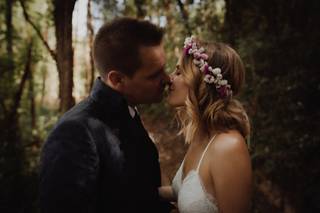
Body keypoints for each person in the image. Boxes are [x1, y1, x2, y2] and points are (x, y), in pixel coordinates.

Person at [39, 17, 173, 213]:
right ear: (117, 79)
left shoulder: (127, 111)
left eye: (164, 69)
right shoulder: (75, 132)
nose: (167, 79)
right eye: (154, 75)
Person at [159, 36, 252, 213]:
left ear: (200, 80)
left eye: (179, 72)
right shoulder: (201, 135)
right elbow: (181, 192)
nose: (170, 79)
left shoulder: (229, 146)